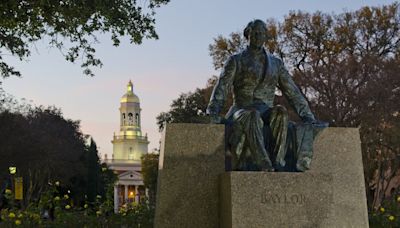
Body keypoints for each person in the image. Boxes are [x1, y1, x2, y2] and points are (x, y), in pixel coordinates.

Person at [207, 19, 324, 172]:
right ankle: (263, 162)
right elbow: (221, 87)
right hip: (241, 110)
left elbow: (292, 92)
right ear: (247, 35)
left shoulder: (276, 64)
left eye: (261, 33)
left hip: (266, 110)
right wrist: (212, 111)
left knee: (281, 112)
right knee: (252, 115)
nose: (258, 36)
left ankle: (278, 161)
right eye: (254, 33)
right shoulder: (236, 60)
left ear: (266, 37)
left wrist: (308, 116)